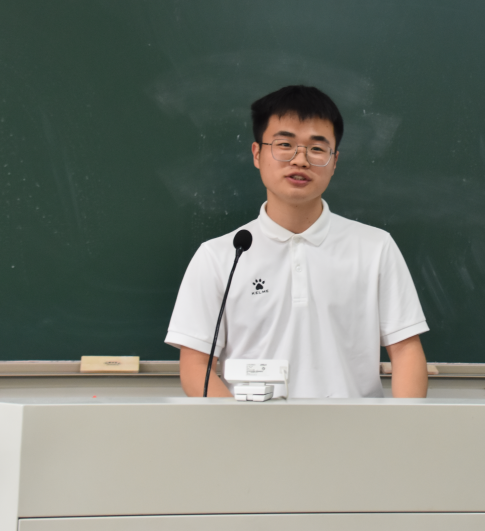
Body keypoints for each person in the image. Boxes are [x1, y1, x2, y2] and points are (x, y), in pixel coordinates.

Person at [165, 85, 429, 399]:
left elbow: (406, 351)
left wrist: (401, 427)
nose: (300, 160)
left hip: (356, 429)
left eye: (317, 149)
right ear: (257, 154)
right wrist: (240, 429)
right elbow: (196, 367)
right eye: (284, 145)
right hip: (252, 429)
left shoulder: (376, 248)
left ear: (334, 161)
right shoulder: (219, 256)